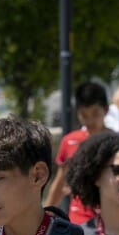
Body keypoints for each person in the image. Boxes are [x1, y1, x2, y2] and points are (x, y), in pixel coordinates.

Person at [46, 81, 111, 224]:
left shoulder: (116, 142)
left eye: (95, 113)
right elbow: (59, 181)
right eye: (84, 115)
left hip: (110, 218)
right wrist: (45, 216)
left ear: (106, 110)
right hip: (78, 221)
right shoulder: (69, 141)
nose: (90, 120)